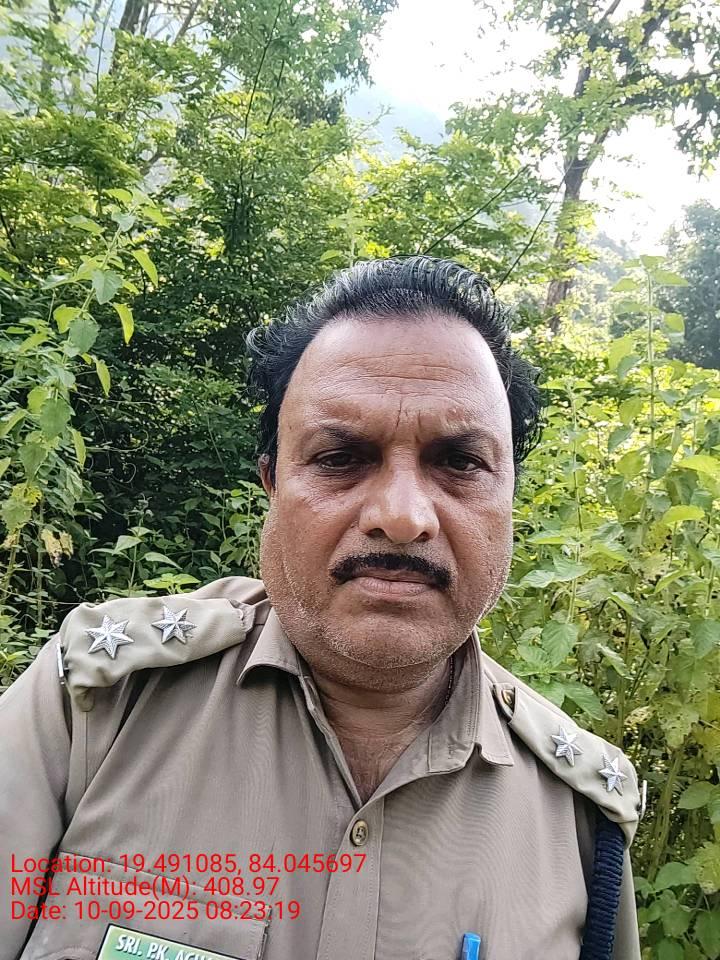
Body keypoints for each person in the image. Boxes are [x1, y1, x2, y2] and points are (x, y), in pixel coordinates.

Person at [0, 256, 642, 960]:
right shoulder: (92, 707)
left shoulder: (583, 818)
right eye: (340, 457)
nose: (403, 517)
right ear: (271, 485)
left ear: (509, 497)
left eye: (460, 462)